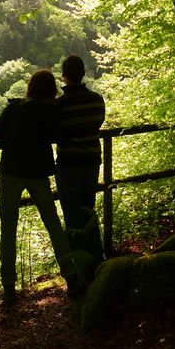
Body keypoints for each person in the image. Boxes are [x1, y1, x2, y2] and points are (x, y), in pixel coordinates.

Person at [0, 69, 76, 304]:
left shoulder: (15, 107)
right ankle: (71, 276)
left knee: (8, 228)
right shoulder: (54, 110)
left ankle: (9, 287)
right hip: (39, 172)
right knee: (52, 223)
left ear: (31, 87)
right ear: (51, 90)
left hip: (11, 170)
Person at [55, 55, 106, 260]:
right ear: (83, 73)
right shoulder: (97, 100)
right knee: (88, 209)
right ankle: (96, 257)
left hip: (68, 164)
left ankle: (79, 263)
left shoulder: (59, 105)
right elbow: (98, 123)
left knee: (71, 215)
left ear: (64, 76)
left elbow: (54, 132)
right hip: (92, 161)